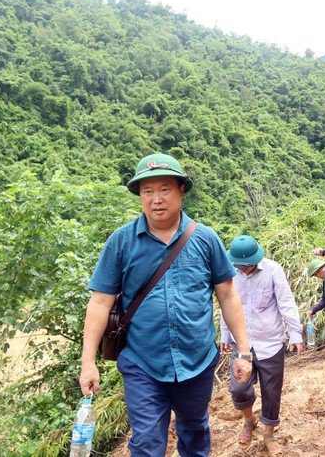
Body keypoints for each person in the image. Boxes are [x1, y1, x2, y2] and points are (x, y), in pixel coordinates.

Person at [79, 153, 252, 456]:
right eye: (147, 191)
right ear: (140, 195)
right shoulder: (121, 242)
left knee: (195, 432)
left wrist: (244, 351)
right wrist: (88, 361)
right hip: (142, 362)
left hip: (196, 361)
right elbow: (100, 301)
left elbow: (228, 295)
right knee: (146, 442)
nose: (156, 199)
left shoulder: (205, 239)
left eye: (164, 189)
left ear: (181, 189)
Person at [220, 235, 303, 455]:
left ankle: (269, 433)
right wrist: (225, 334)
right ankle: (249, 420)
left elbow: (286, 302)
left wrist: (295, 333)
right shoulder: (230, 273)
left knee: (271, 391)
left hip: (271, 341)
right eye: (240, 267)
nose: (244, 271)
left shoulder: (273, 270)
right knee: (239, 388)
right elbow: (225, 302)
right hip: (243, 344)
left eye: (247, 267)